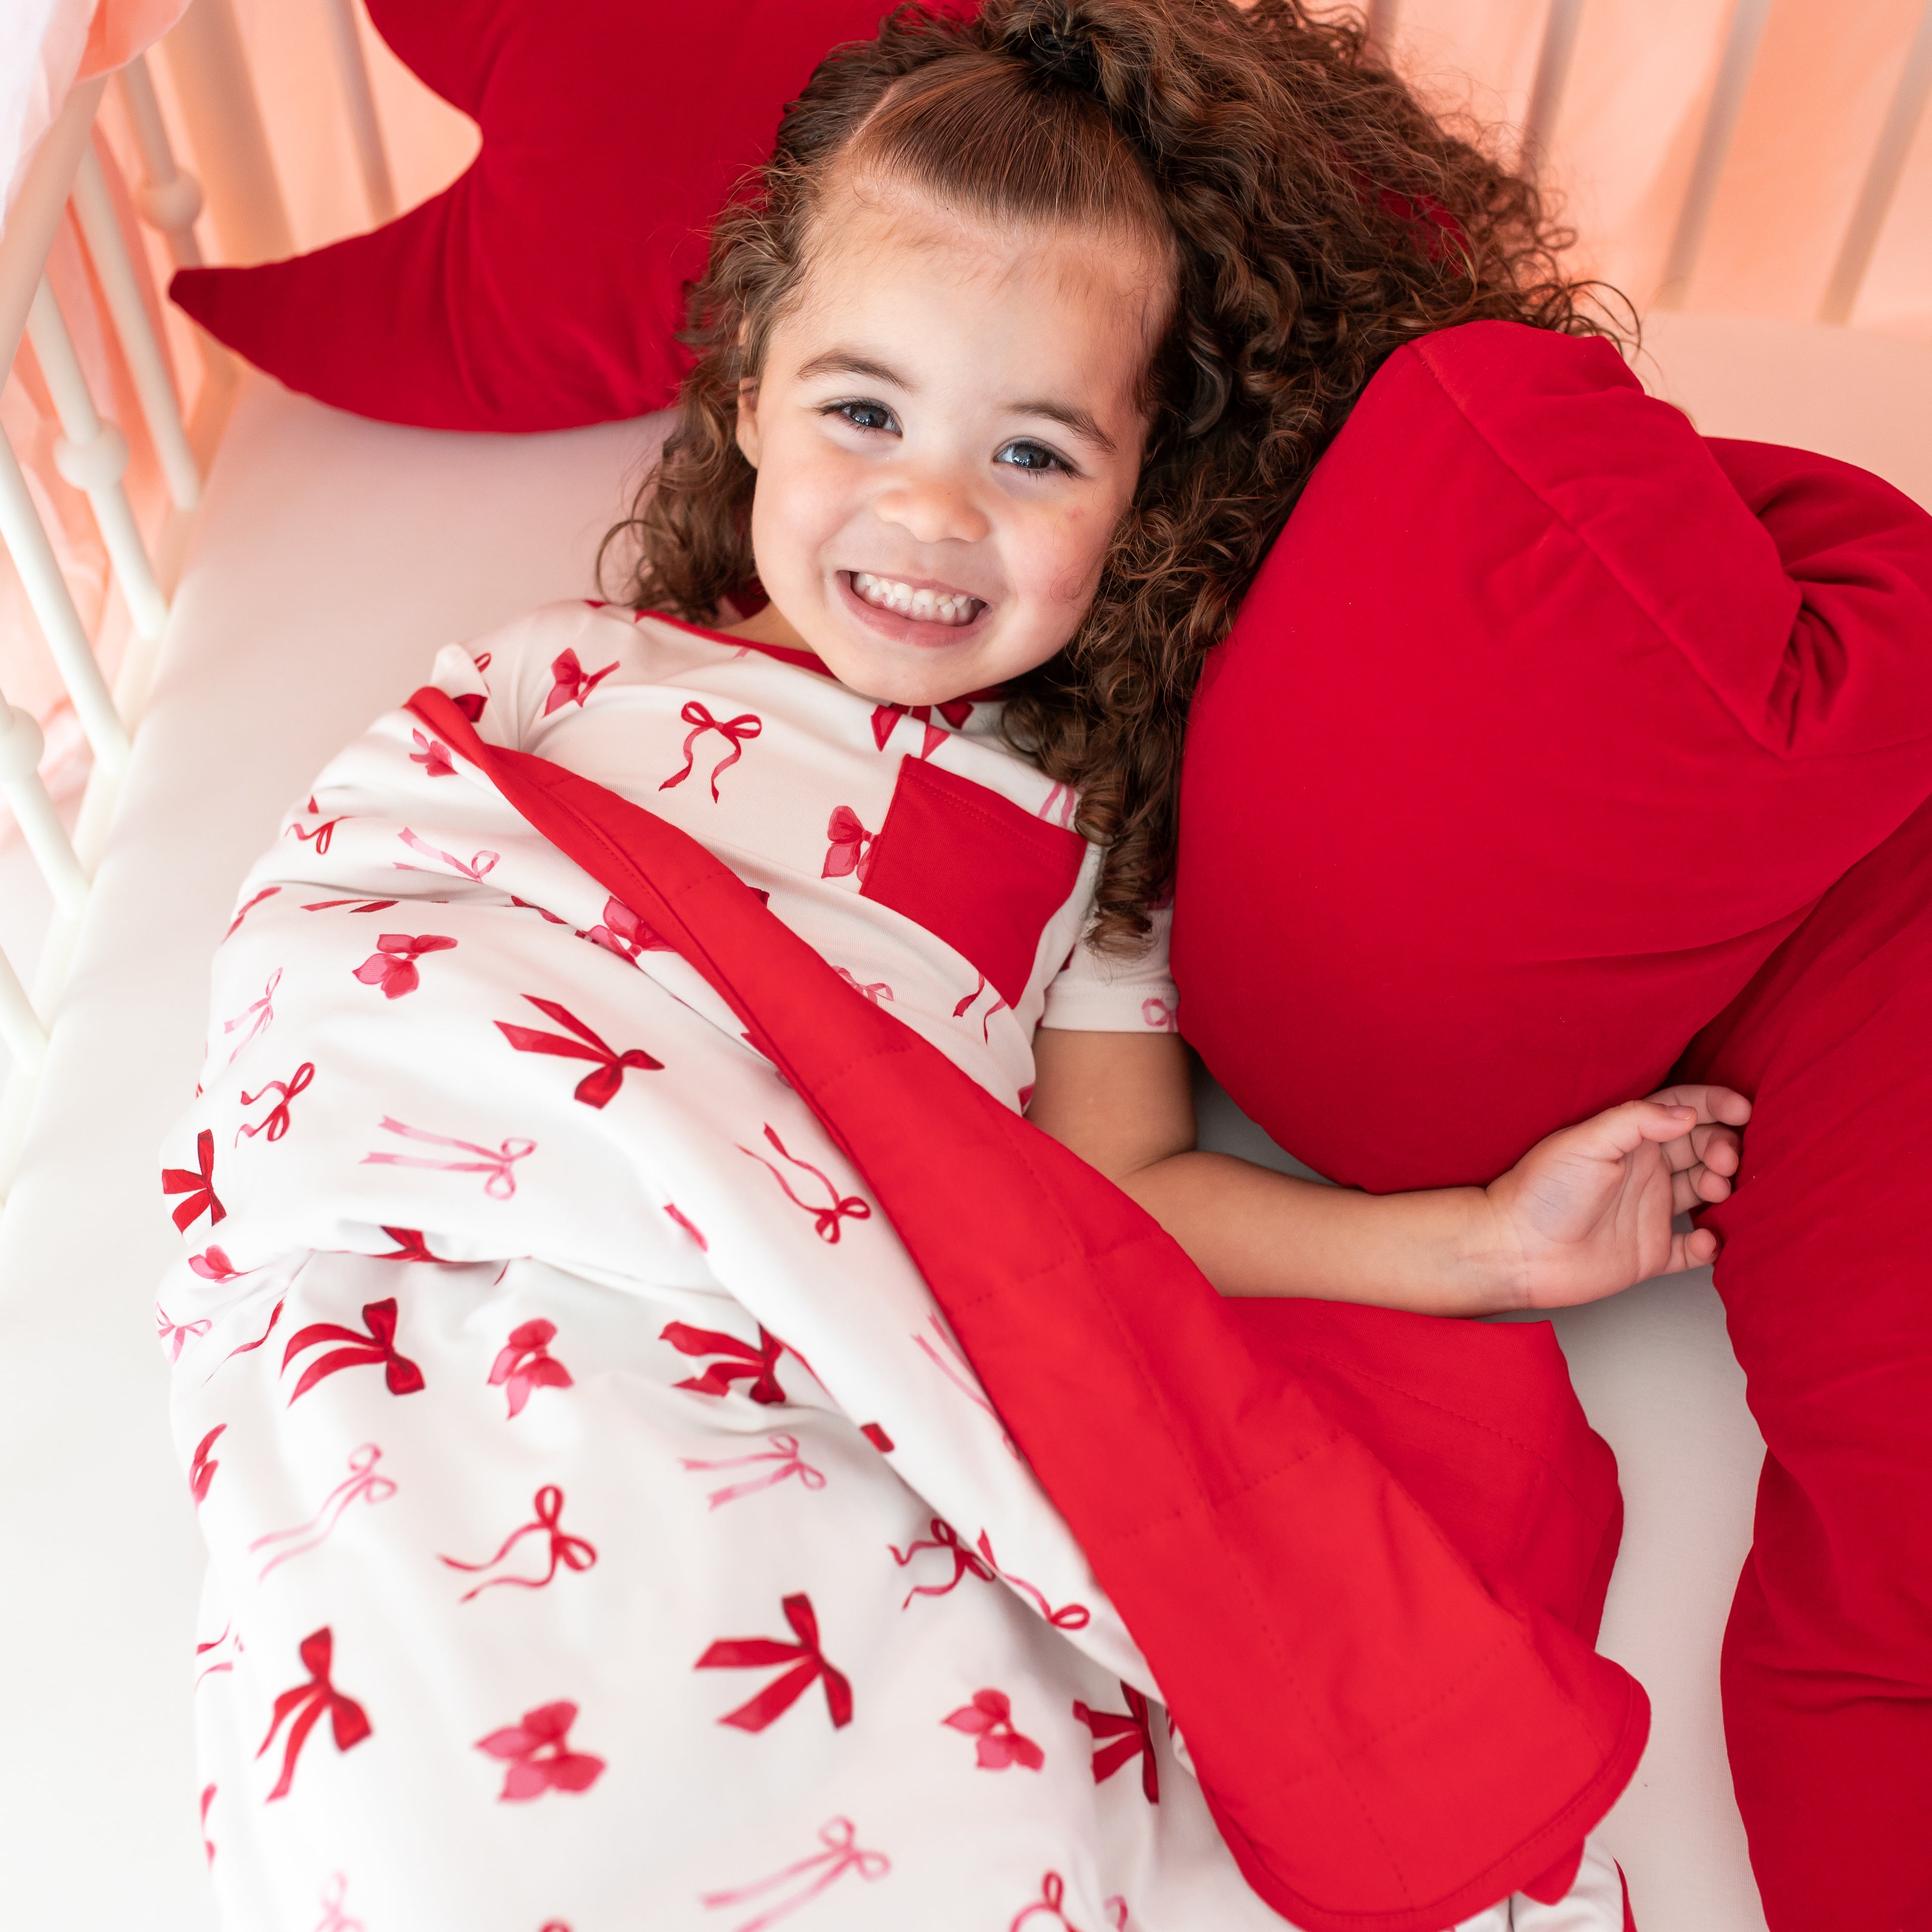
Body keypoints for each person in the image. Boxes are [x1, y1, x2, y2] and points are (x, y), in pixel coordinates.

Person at [166, 3, 1730, 1925]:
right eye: (863, 412)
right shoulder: (557, 687)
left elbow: (1115, 1190)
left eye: (1038, 453)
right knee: (426, 1794)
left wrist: (1487, 1242)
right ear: (747, 393)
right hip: (457, 1295)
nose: (930, 510)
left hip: (801, 1360)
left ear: (1150, 496)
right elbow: (362, 928)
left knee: (909, 1776)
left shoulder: (1078, 829)